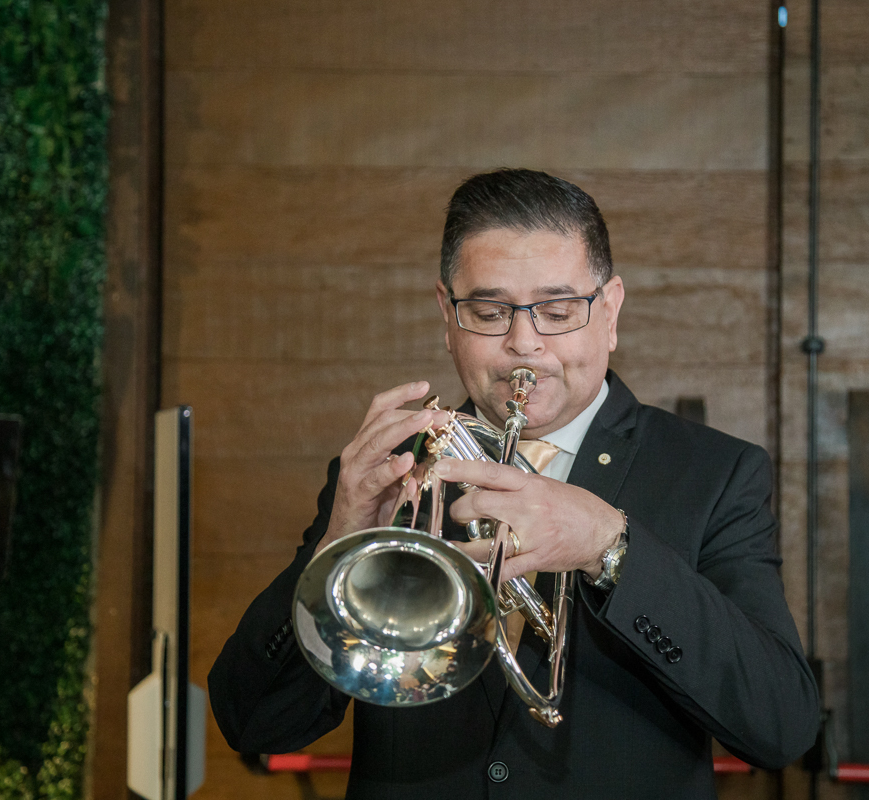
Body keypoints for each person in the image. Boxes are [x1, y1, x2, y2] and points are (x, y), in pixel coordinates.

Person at [208, 168, 820, 798]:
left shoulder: (714, 473)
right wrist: (336, 544)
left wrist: (612, 547)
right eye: (489, 311)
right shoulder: (394, 466)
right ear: (448, 317)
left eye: (558, 311)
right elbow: (254, 723)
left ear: (609, 313)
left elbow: (780, 727)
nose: (524, 343)